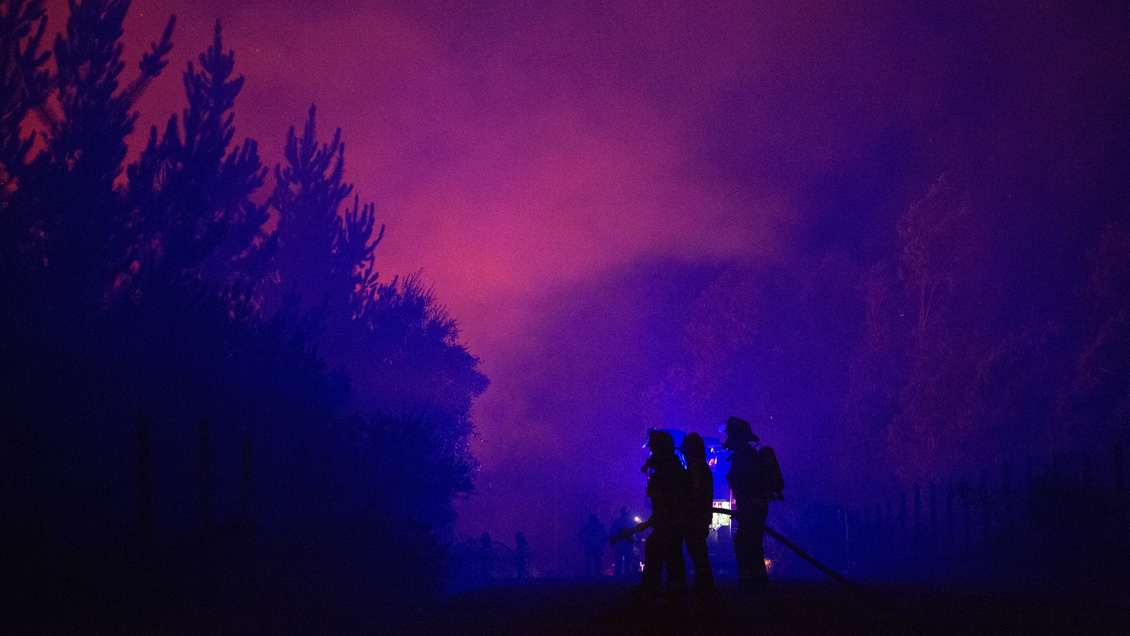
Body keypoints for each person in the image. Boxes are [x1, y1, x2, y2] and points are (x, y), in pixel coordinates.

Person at [637, 429, 688, 597]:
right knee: (666, 552)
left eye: (654, 449)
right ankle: (670, 590)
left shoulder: (669, 472)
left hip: (669, 523)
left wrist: (664, 518)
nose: (652, 453)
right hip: (666, 521)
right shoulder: (669, 470)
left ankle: (661, 590)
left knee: (666, 552)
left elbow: (670, 500)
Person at [722, 416, 768, 593]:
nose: (728, 440)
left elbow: (751, 487)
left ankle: (752, 590)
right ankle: (754, 588)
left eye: (730, 435)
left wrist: (746, 509)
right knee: (750, 547)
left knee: (749, 548)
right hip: (751, 510)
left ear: (738, 437)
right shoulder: (745, 456)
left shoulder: (746, 458)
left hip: (751, 511)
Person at [679, 433, 715, 595]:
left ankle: (705, 590)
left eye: (686, 452)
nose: (684, 456)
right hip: (698, 518)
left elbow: (694, 494)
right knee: (699, 554)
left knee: (698, 554)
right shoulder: (702, 468)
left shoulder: (696, 470)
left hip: (695, 519)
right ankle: (705, 588)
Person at [609, 506, 637, 579]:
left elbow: (612, 532)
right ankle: (625, 577)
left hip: (622, 544)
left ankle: (618, 577)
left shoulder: (617, 522)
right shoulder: (631, 522)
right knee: (627, 561)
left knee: (620, 560)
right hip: (626, 544)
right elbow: (637, 533)